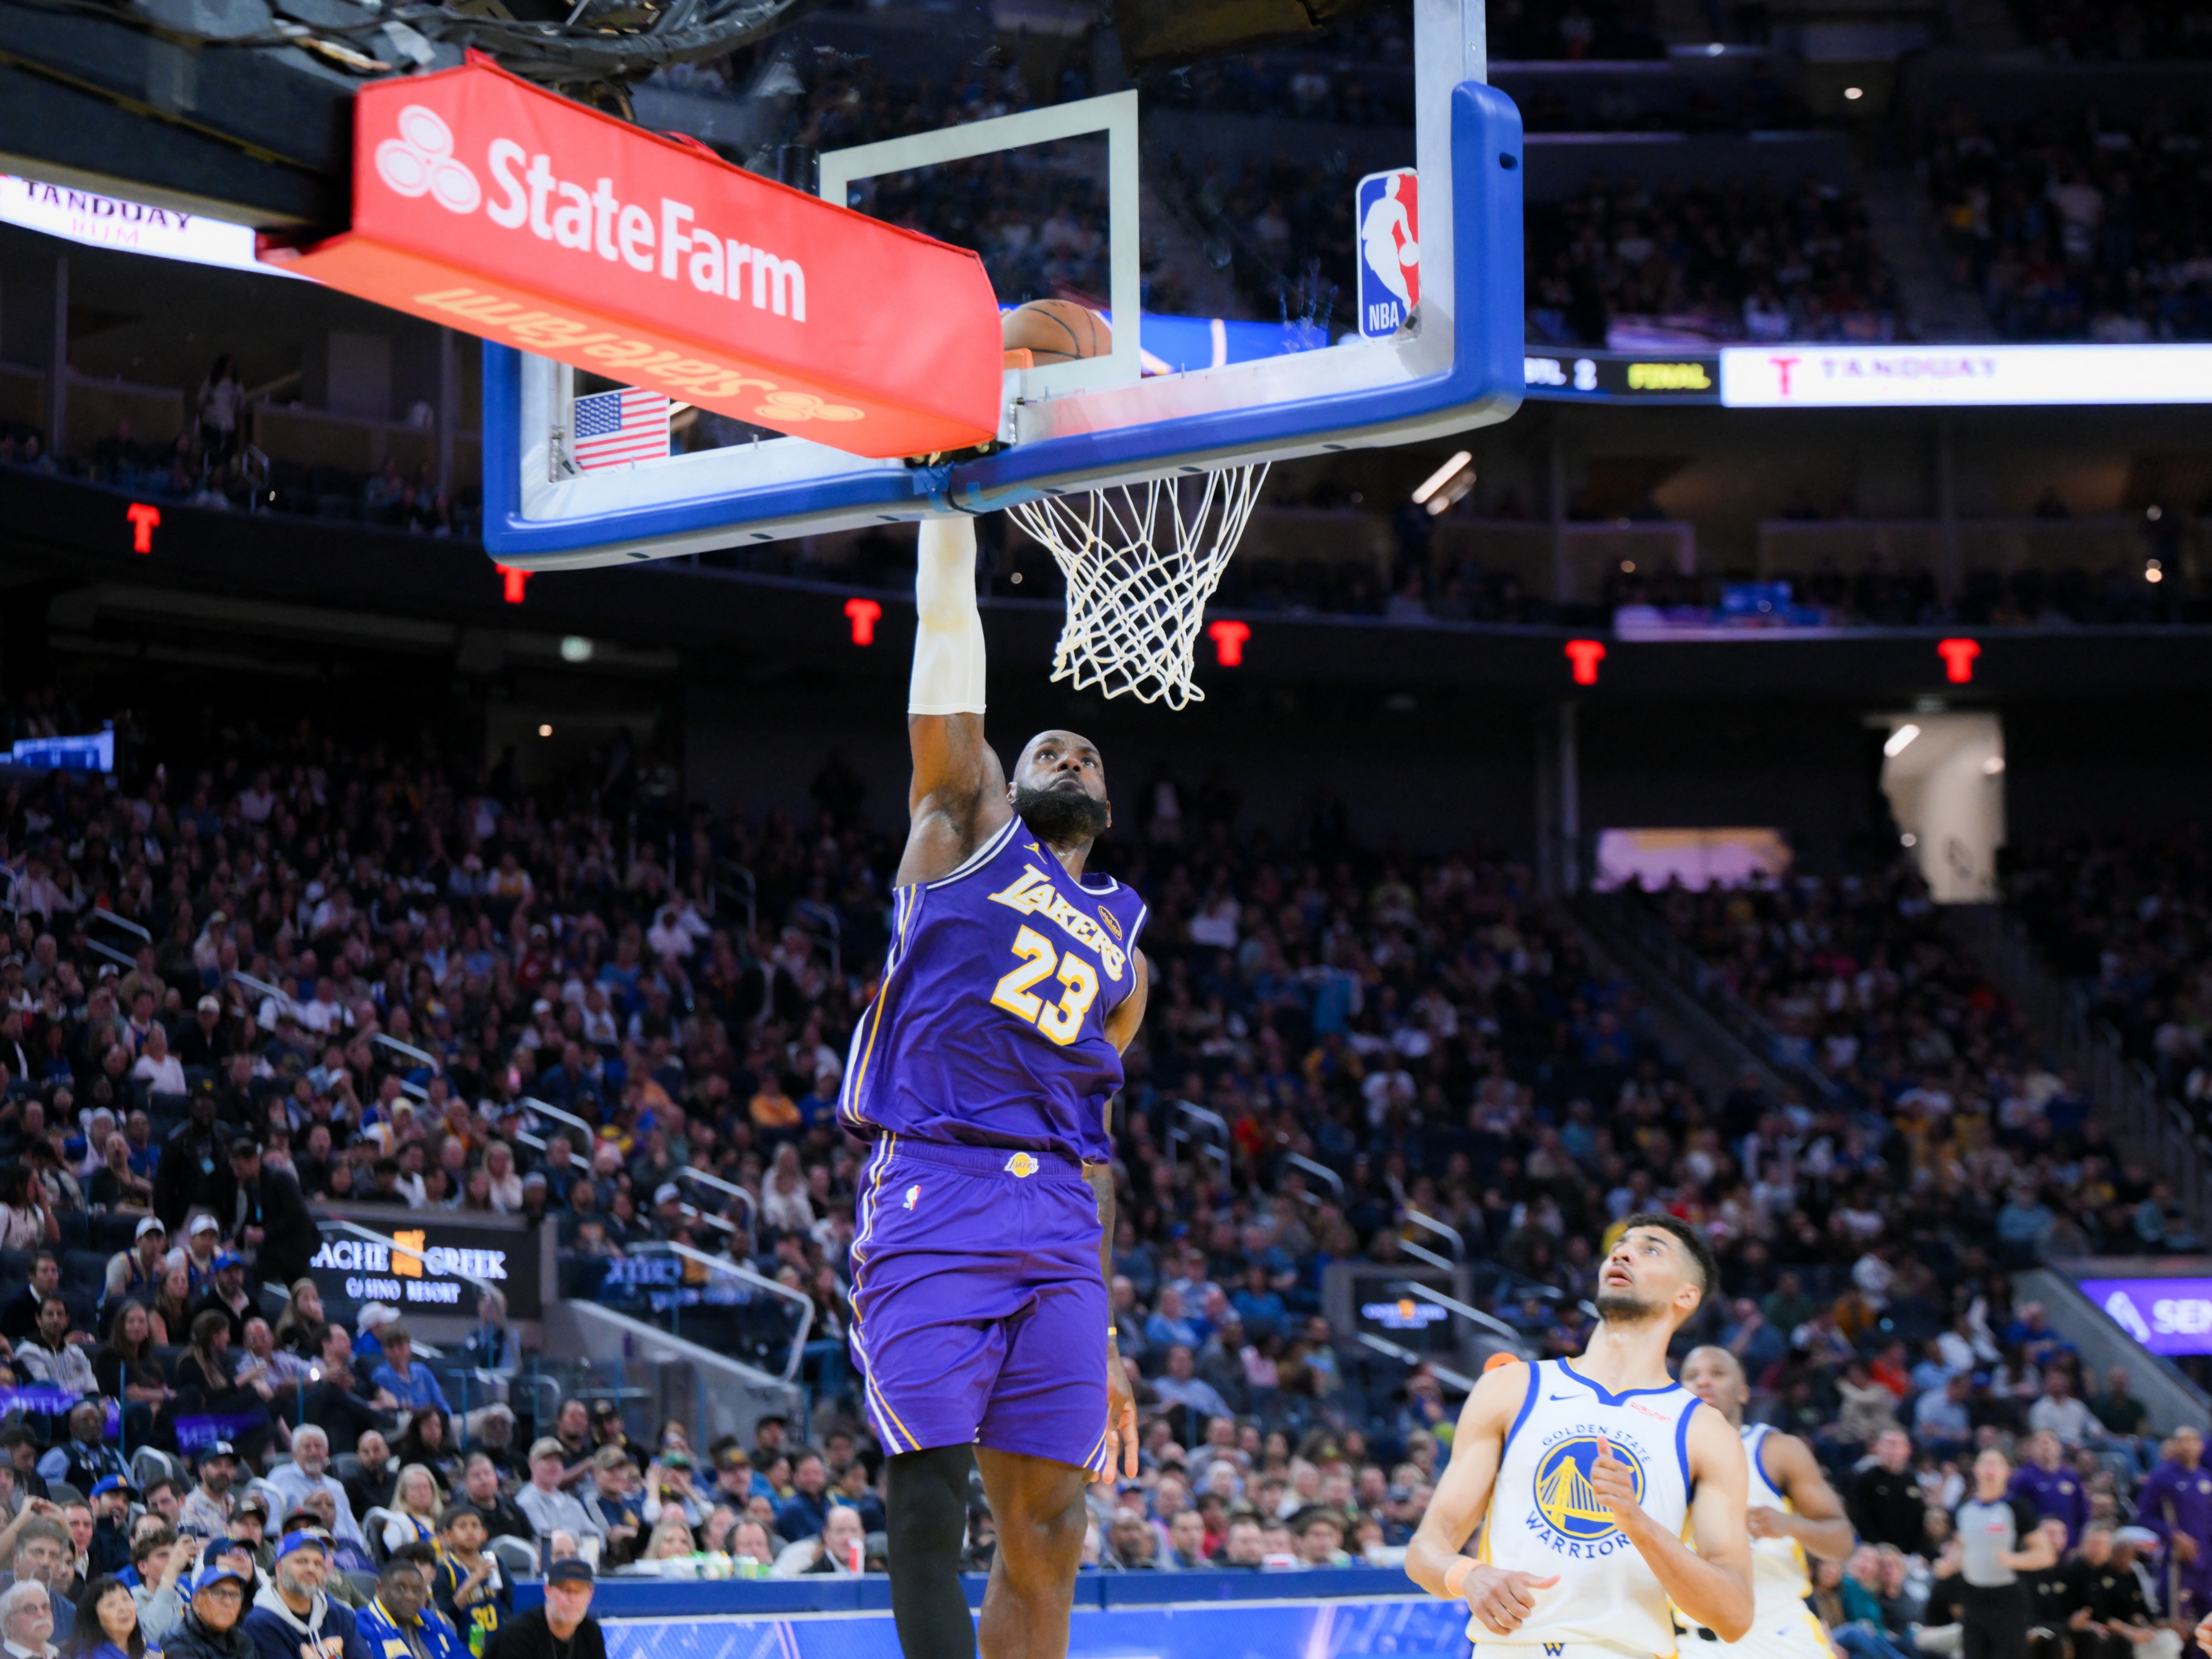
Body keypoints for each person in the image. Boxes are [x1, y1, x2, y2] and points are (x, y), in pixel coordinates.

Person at [846, 513, 1152, 1659]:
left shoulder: (1127, 949)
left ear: (1108, 805)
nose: (1070, 760)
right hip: (938, 1182)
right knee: (930, 1500)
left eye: (1089, 757)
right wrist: (948, 511)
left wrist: (1107, 1328)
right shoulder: (961, 823)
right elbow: (943, 630)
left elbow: (1095, 1136)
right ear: (1003, 779)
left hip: (1060, 1220)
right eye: (1049, 751)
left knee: (1053, 1523)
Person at [1405, 1215, 1754, 1653]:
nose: (1622, 1253)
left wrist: (1638, 1523)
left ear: (1686, 1295)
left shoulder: (1706, 1432)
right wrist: (1468, 1575)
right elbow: (1426, 1549)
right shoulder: (1512, 1388)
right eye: (1620, 1246)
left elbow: (1735, 1615)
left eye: (1650, 1250)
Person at [1680, 1345, 1856, 1658]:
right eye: (1693, 1376)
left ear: (1743, 1392)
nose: (1704, 1381)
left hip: (1778, 1636)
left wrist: (1790, 1525)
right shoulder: (1661, 1458)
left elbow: (1842, 1543)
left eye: (1717, 1373)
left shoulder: (1777, 1450)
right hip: (1694, 1642)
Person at [1952, 1446, 2057, 1659]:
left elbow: (2047, 1555)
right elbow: (1961, 1550)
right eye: (1985, 1463)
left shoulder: (2018, 1508)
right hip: (1973, 1597)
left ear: (2007, 1472)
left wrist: (2013, 1560)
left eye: (1996, 1464)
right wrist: (1948, 1564)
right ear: (1976, 1470)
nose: (1990, 1469)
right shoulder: (1964, 1509)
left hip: (2007, 1597)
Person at [241, 1531, 359, 1659]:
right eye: (302, 1562)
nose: (311, 1569)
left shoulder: (340, 1616)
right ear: (280, 1569)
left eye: (318, 1564)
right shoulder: (261, 1624)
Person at [2142, 1426, 2212, 1631]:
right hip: (2177, 1561)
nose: (2188, 1446)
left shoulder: (2206, 1478)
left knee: (2207, 1625)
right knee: (2177, 1624)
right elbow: (2144, 1516)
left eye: (2192, 1441)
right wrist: (2174, 1536)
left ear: (2201, 1446)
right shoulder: (2162, 1477)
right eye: (2182, 1441)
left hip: (2206, 1561)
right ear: (2174, 1446)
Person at [480, 1557, 601, 1659]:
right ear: (547, 1591)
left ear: (590, 1596)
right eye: (565, 1590)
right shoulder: (518, 1635)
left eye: (579, 1591)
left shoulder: (591, 1633)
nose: (572, 1599)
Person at [262, 1429, 364, 1548]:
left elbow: (353, 1530)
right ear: (294, 1453)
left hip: (344, 1548)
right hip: (304, 1547)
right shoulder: (280, 1478)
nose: (314, 1452)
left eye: (318, 1446)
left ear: (327, 1453)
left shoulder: (336, 1487)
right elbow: (272, 1528)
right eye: (307, 1447)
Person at [355, 1551, 461, 1659]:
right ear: (380, 1588)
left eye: (417, 1591)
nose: (411, 1597)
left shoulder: (431, 1621)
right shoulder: (362, 1625)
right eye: (401, 1588)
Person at [430, 1505, 506, 1652]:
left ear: (484, 1534)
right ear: (448, 1535)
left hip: (496, 1646)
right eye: (462, 1526)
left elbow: (509, 1602)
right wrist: (473, 1580)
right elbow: (445, 1615)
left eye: (475, 1525)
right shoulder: (445, 1570)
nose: (470, 1531)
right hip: (461, 1647)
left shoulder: (495, 1563)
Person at [160, 1562, 254, 1659]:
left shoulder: (242, 1640)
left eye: (234, 1595)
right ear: (196, 1601)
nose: (228, 1603)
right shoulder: (178, 1643)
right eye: (218, 1593)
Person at [514, 1444, 596, 1546]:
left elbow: (598, 1537)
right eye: (548, 1459)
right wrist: (580, 1539)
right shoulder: (527, 1500)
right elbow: (549, 1538)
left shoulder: (570, 1502)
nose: (554, 1465)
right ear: (532, 1464)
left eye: (558, 1460)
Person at [61, 1574, 146, 1659]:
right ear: (94, 1617)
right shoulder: (89, 1657)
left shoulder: (149, 1649)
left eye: (126, 1599)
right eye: (111, 1604)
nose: (123, 1608)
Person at [377, 1470, 440, 1558]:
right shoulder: (398, 1520)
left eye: (426, 1487)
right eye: (416, 1488)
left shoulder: (440, 1519)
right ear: (403, 1493)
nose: (423, 1493)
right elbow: (396, 1555)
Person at [0, 1579, 60, 1659]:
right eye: (30, 1609)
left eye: (45, 1607)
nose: (42, 1614)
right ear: (10, 1623)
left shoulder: (60, 1656)